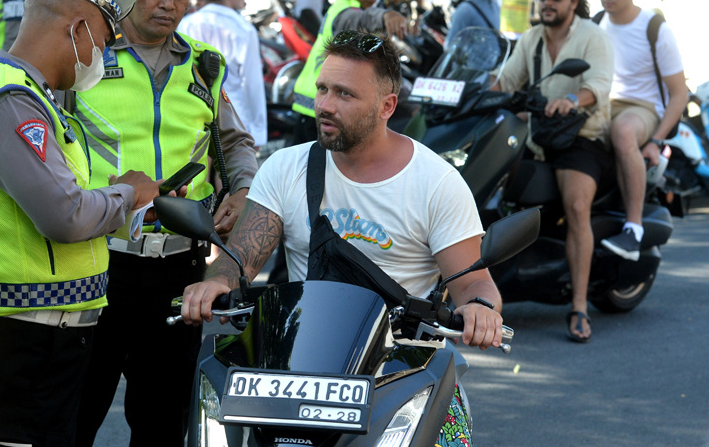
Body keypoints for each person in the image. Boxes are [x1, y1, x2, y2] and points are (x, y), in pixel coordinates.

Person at [181, 31, 504, 446]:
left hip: (401, 373)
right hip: (299, 367)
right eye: (322, 89)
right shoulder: (285, 168)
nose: (325, 105)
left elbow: (475, 282)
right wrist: (217, 281)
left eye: (345, 95)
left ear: (387, 106)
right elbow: (239, 256)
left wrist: (480, 309)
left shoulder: (436, 182)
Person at [0, 0, 161, 446]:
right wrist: (129, 192)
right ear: (78, 30)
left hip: (46, 337)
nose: (105, 58)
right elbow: (64, 216)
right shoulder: (10, 101)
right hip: (23, 341)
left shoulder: (35, 96)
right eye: (105, 42)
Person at [72, 0, 258, 446]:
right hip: (95, 260)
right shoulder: (84, 57)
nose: (169, 4)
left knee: (163, 424)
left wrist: (242, 189)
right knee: (74, 415)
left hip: (179, 272)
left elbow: (236, 140)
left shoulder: (204, 64)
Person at [494, 0, 614, 343]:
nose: (547, 2)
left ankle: (579, 307)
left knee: (577, 207)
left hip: (581, 138)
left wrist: (572, 100)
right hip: (538, 138)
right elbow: (505, 83)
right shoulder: (530, 38)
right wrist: (468, 94)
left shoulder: (593, 37)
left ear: (573, 2)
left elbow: (599, 84)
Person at [596, 0, 689, 261]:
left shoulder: (654, 28)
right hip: (603, 105)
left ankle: (633, 230)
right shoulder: (597, 21)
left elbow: (679, 94)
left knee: (623, 131)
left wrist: (656, 140)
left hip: (642, 108)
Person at [291, 0, 409, 144]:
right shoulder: (345, 13)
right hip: (321, 109)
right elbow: (361, 21)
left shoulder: (344, 7)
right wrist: (386, 15)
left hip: (319, 104)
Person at [179, 0, 268, 146]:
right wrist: (258, 134)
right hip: (233, 118)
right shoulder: (244, 30)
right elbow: (252, 85)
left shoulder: (187, 24)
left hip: (191, 112)